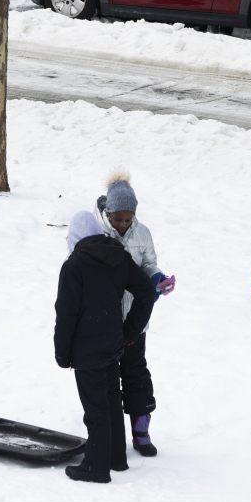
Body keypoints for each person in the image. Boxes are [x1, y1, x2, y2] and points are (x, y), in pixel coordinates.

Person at [54, 212, 157, 483]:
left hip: (86, 350)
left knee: (96, 408)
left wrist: (62, 353)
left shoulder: (74, 266)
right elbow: (146, 290)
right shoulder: (118, 257)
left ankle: (96, 467)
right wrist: (130, 330)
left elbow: (66, 313)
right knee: (111, 400)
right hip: (113, 344)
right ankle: (115, 458)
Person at [92, 173, 176, 456]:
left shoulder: (142, 233)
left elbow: (149, 264)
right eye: (118, 219)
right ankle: (111, 432)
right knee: (107, 379)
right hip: (106, 321)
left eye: (128, 219)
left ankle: (141, 432)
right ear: (108, 213)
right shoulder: (96, 233)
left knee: (136, 374)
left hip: (135, 321)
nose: (123, 224)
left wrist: (158, 278)